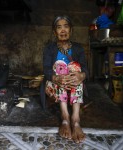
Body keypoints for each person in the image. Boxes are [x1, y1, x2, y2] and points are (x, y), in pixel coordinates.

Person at [43, 15, 88, 143]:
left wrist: (81, 75)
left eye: (66, 26)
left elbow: (86, 69)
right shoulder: (49, 48)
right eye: (59, 27)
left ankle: (76, 119)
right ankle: (65, 117)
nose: (63, 30)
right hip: (55, 85)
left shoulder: (78, 48)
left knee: (77, 70)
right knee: (59, 67)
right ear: (54, 32)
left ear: (71, 30)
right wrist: (56, 78)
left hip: (74, 85)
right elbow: (46, 69)